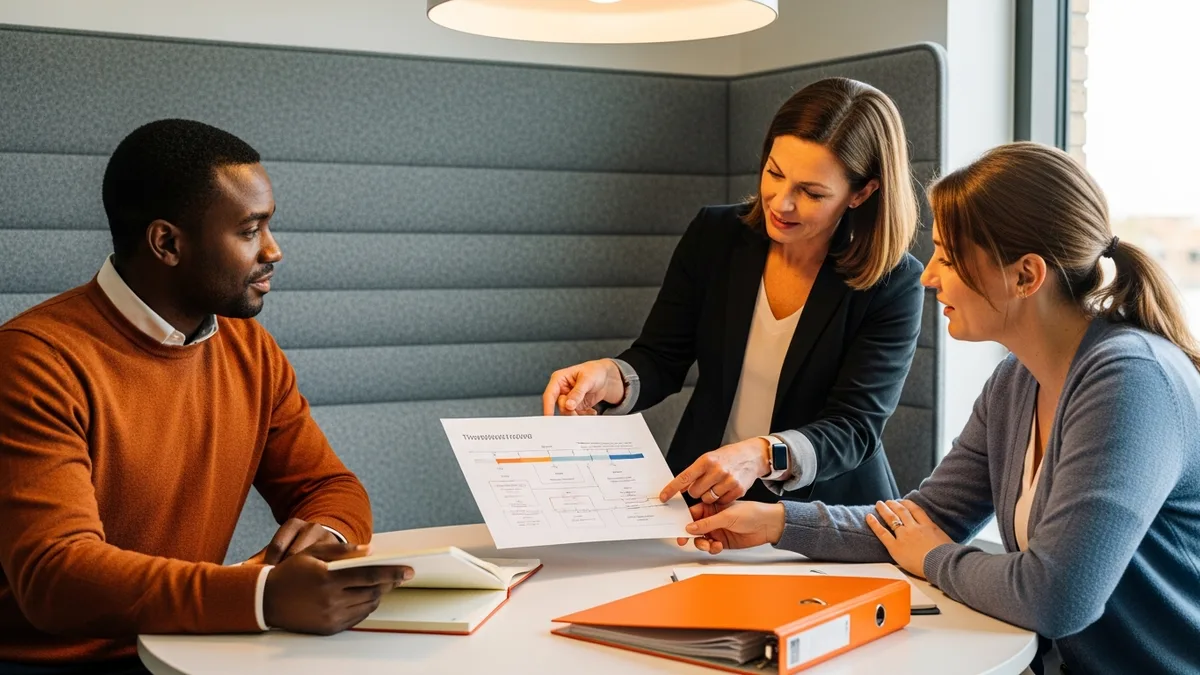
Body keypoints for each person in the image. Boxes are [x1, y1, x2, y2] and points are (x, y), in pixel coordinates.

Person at [677, 142, 1200, 675]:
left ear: (1026, 276)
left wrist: (932, 558)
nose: (928, 276)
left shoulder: (1131, 380)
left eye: (948, 256)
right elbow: (924, 519)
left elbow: (1057, 598)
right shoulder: (1016, 382)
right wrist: (776, 522)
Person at [0, 120, 412, 675]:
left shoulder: (249, 348)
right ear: (167, 242)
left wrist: (325, 535)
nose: (274, 250)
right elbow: (56, 576)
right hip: (47, 662)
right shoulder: (34, 360)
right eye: (250, 230)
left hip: (194, 644)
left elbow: (330, 487)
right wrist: (262, 595)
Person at [543, 77, 924, 508]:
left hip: (822, 515)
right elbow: (660, 357)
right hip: (702, 493)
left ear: (862, 192)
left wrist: (763, 455)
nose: (781, 203)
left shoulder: (893, 282)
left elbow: (854, 427)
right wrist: (609, 377)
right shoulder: (716, 235)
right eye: (775, 174)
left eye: (812, 193)